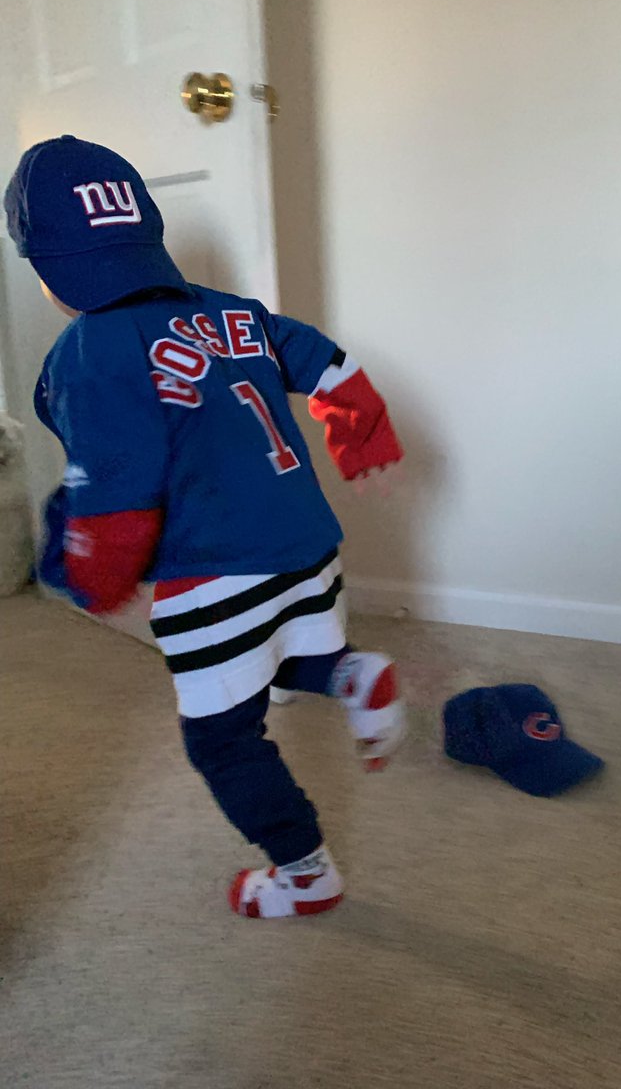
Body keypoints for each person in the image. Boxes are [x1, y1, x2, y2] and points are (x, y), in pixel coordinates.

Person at [4, 135, 406, 919]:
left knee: (222, 737)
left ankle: (305, 875)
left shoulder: (86, 351)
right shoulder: (233, 314)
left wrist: (94, 577)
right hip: (306, 547)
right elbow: (329, 364)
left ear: (48, 273)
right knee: (287, 656)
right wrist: (361, 435)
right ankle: (354, 676)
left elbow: (114, 491)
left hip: (213, 569)